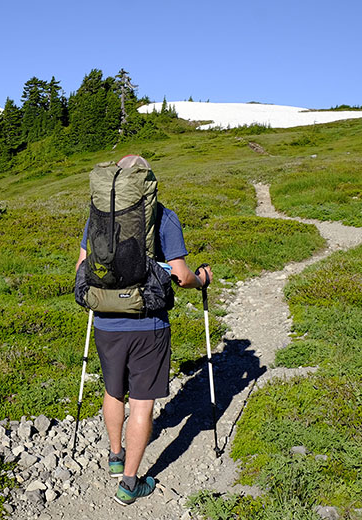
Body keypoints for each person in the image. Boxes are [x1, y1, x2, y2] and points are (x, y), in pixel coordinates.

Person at [74, 155, 212, 506]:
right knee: (141, 404)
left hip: (105, 318)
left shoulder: (98, 215)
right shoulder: (163, 215)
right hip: (148, 323)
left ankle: (115, 455)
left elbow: (81, 265)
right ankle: (130, 483)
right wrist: (202, 280)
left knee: (112, 391)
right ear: (147, 182)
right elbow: (181, 276)